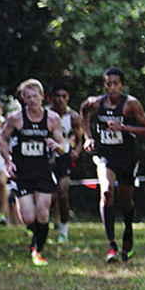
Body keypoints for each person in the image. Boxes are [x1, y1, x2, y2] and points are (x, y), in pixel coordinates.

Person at [80, 67, 145, 263]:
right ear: (104, 85)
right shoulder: (96, 103)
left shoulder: (130, 105)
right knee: (106, 192)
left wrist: (124, 127)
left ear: (123, 85)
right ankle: (111, 245)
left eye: (116, 84)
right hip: (105, 156)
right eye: (108, 84)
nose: (112, 88)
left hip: (126, 157)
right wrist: (87, 137)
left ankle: (128, 232)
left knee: (126, 199)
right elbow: (83, 110)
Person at [0, 79, 66, 266]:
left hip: (43, 171)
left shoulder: (53, 119)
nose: (32, 100)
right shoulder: (16, 119)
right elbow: (2, 140)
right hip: (23, 172)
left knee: (43, 214)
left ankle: (38, 251)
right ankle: (35, 240)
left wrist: (56, 145)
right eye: (28, 97)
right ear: (23, 100)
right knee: (28, 217)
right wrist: (8, 161)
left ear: (42, 97)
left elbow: (63, 147)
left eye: (35, 96)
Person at [47, 81, 84, 243]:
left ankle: (64, 230)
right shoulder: (44, 114)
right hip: (45, 158)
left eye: (64, 96)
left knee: (63, 194)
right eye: (58, 96)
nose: (61, 99)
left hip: (64, 158)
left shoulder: (73, 116)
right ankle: (37, 226)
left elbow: (80, 138)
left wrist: (76, 151)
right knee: (48, 196)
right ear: (51, 98)